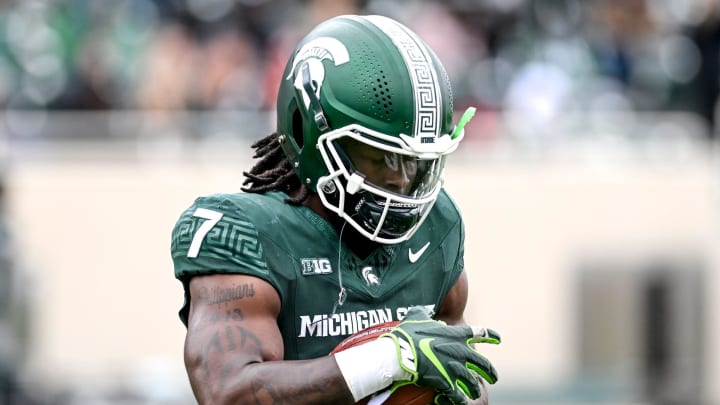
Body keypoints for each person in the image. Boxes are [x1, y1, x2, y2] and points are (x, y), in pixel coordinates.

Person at [170, 14, 501, 405]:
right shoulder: (246, 234)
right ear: (306, 131)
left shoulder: (438, 225)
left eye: (418, 163)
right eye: (380, 156)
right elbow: (228, 393)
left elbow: (460, 378)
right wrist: (390, 358)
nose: (401, 181)